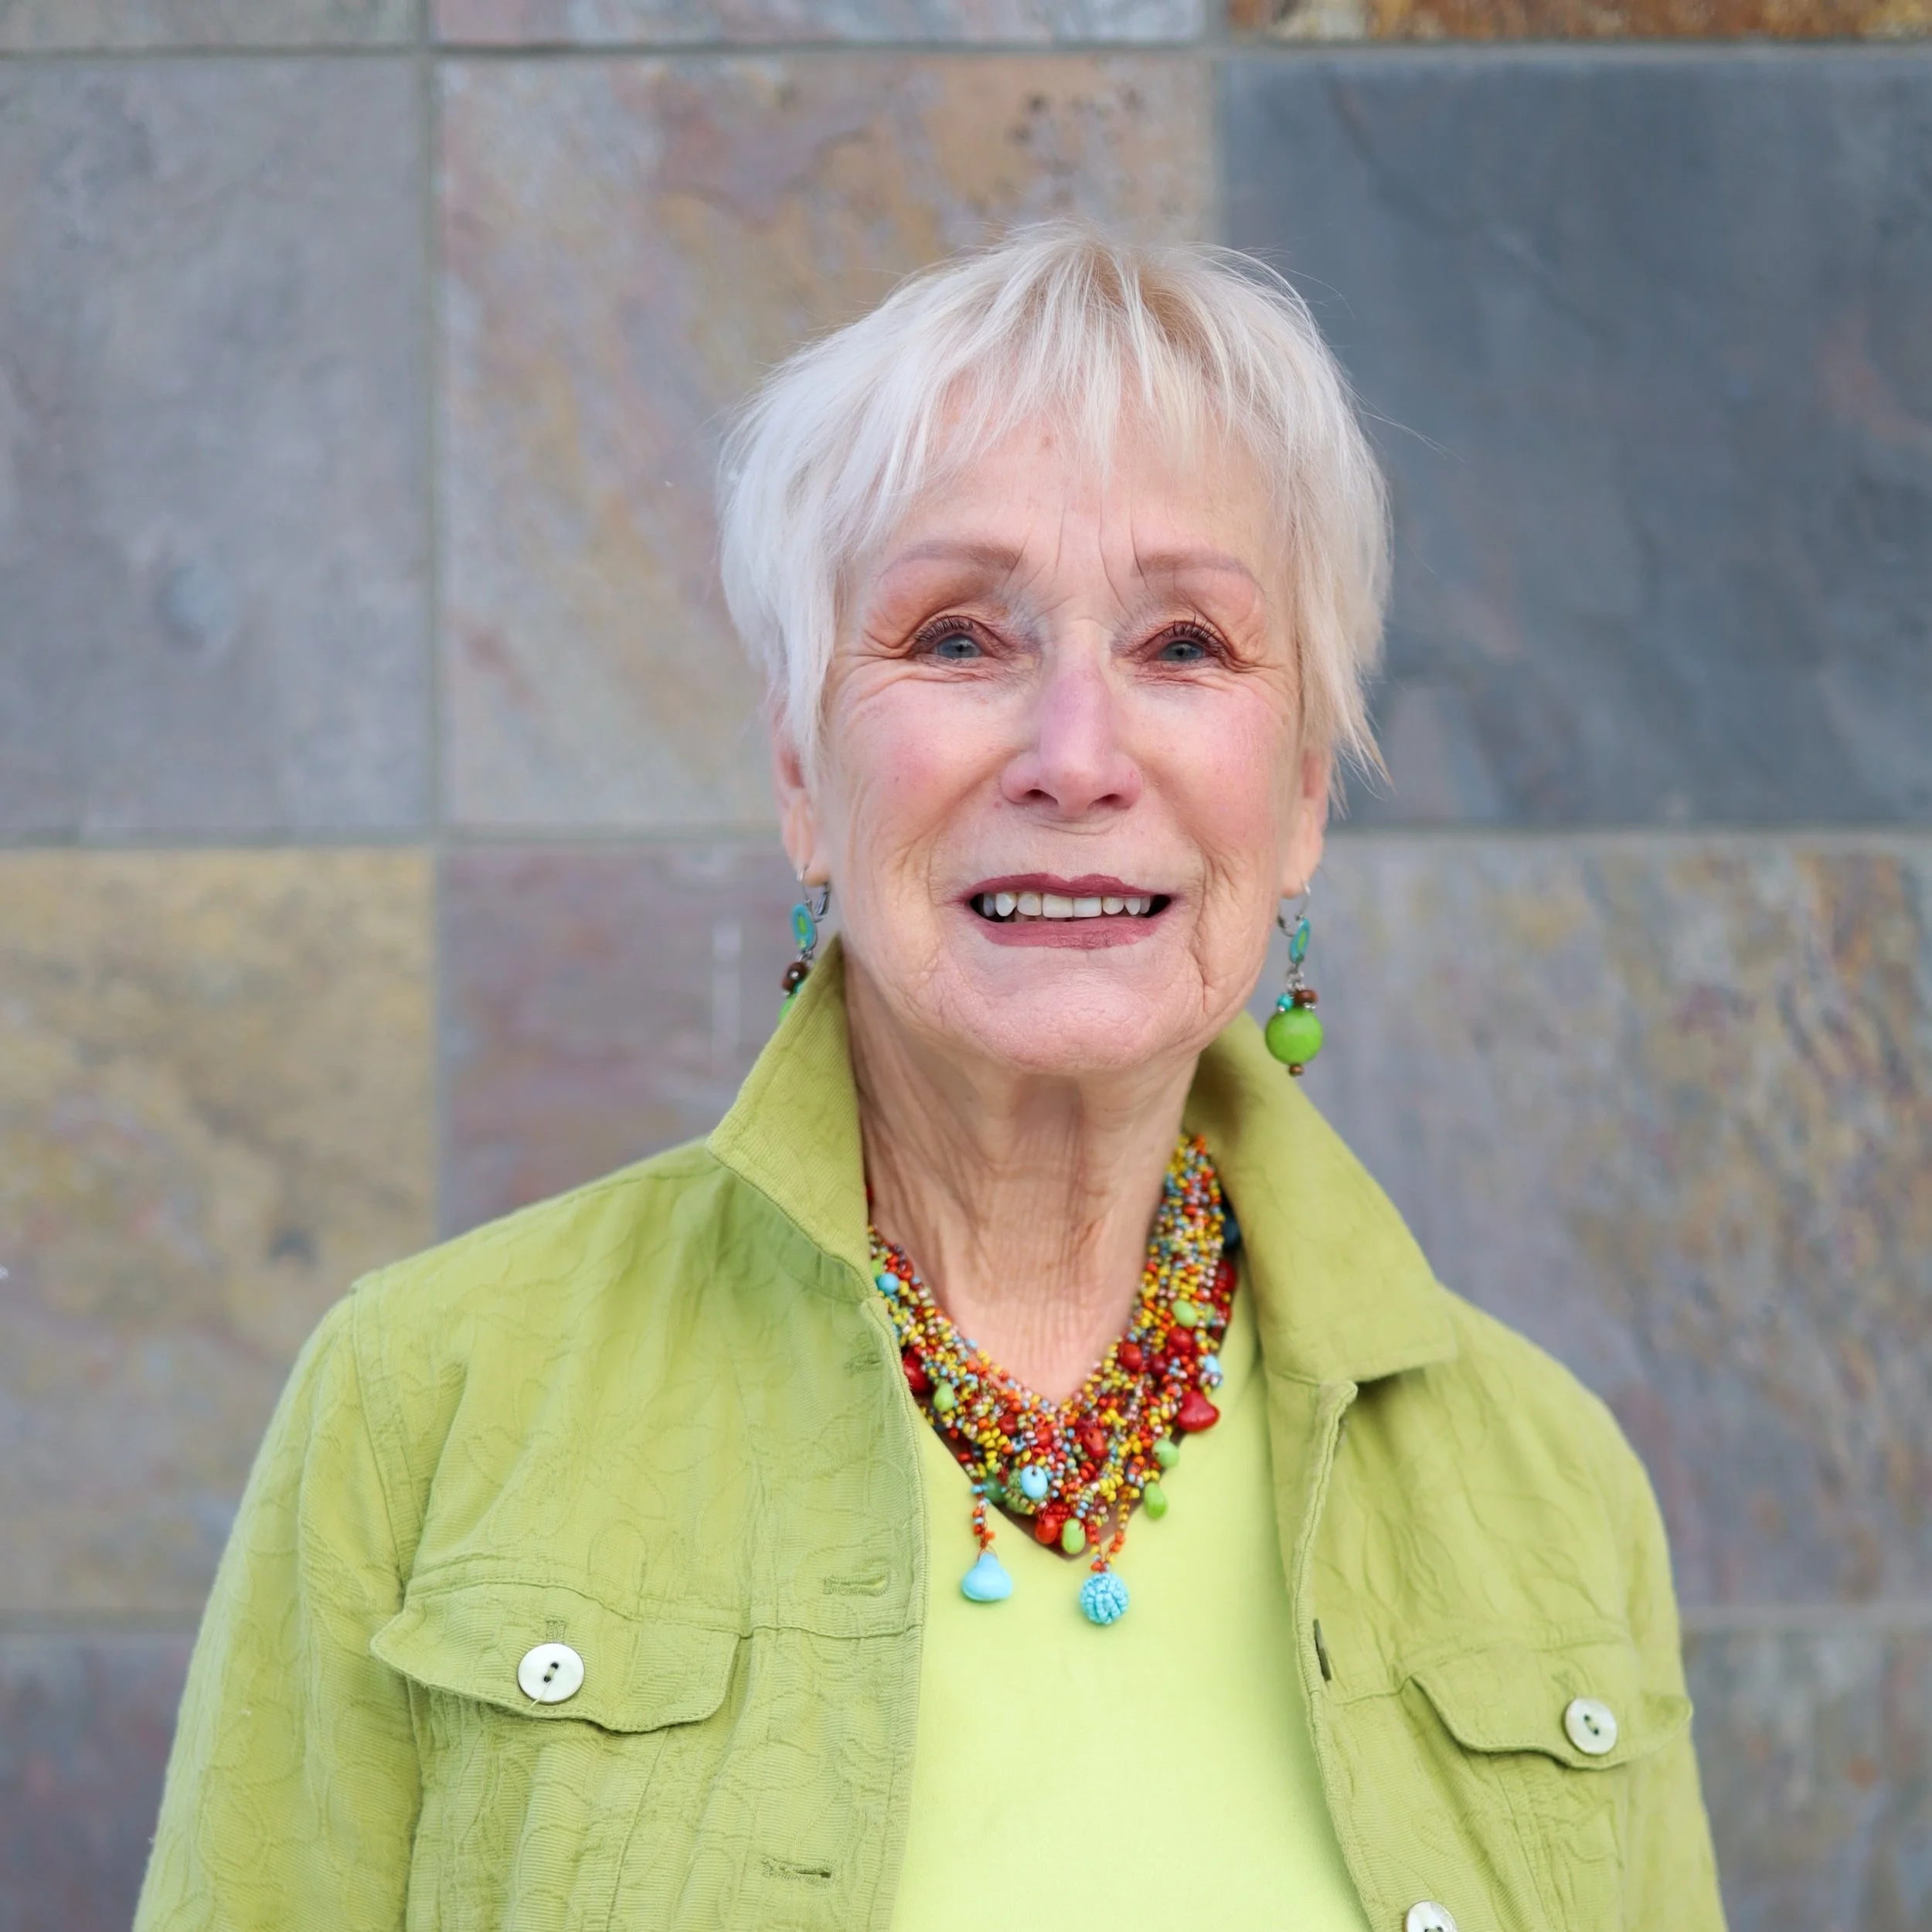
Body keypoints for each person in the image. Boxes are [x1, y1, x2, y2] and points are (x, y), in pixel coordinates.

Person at [137, 226, 1725, 1932]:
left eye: (1184, 644)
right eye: (958, 637)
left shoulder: (1546, 1483)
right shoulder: (425, 1399)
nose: (1073, 757)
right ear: (801, 774)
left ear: (1303, 798)